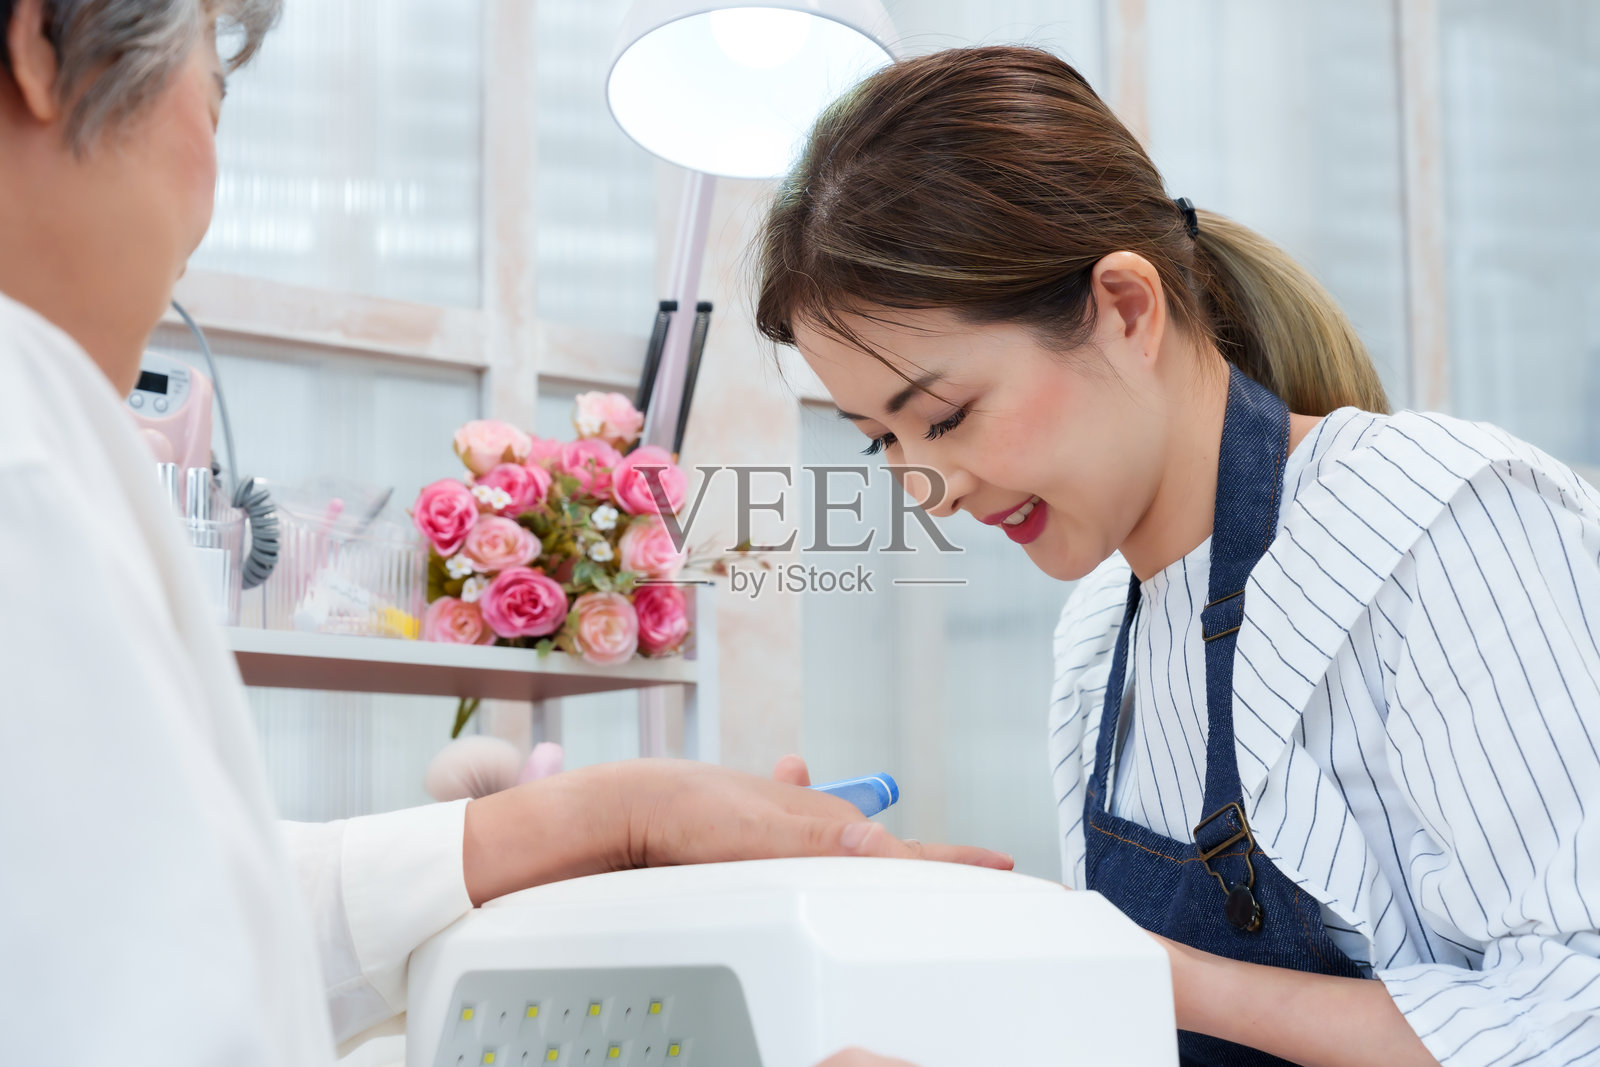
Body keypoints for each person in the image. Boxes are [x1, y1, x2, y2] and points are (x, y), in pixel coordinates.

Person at [0, 2, 1009, 1064]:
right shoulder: (30, 439)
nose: (211, 199)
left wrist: (620, 810)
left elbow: (173, 906)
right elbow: (156, 984)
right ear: (39, 43)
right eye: (213, 102)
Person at [754, 44, 1600, 1067]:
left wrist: (1140, 967)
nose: (928, 486)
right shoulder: (1097, 637)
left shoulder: (1447, 521)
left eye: (944, 415)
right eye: (879, 440)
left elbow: (1575, 1012)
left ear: (1125, 307)